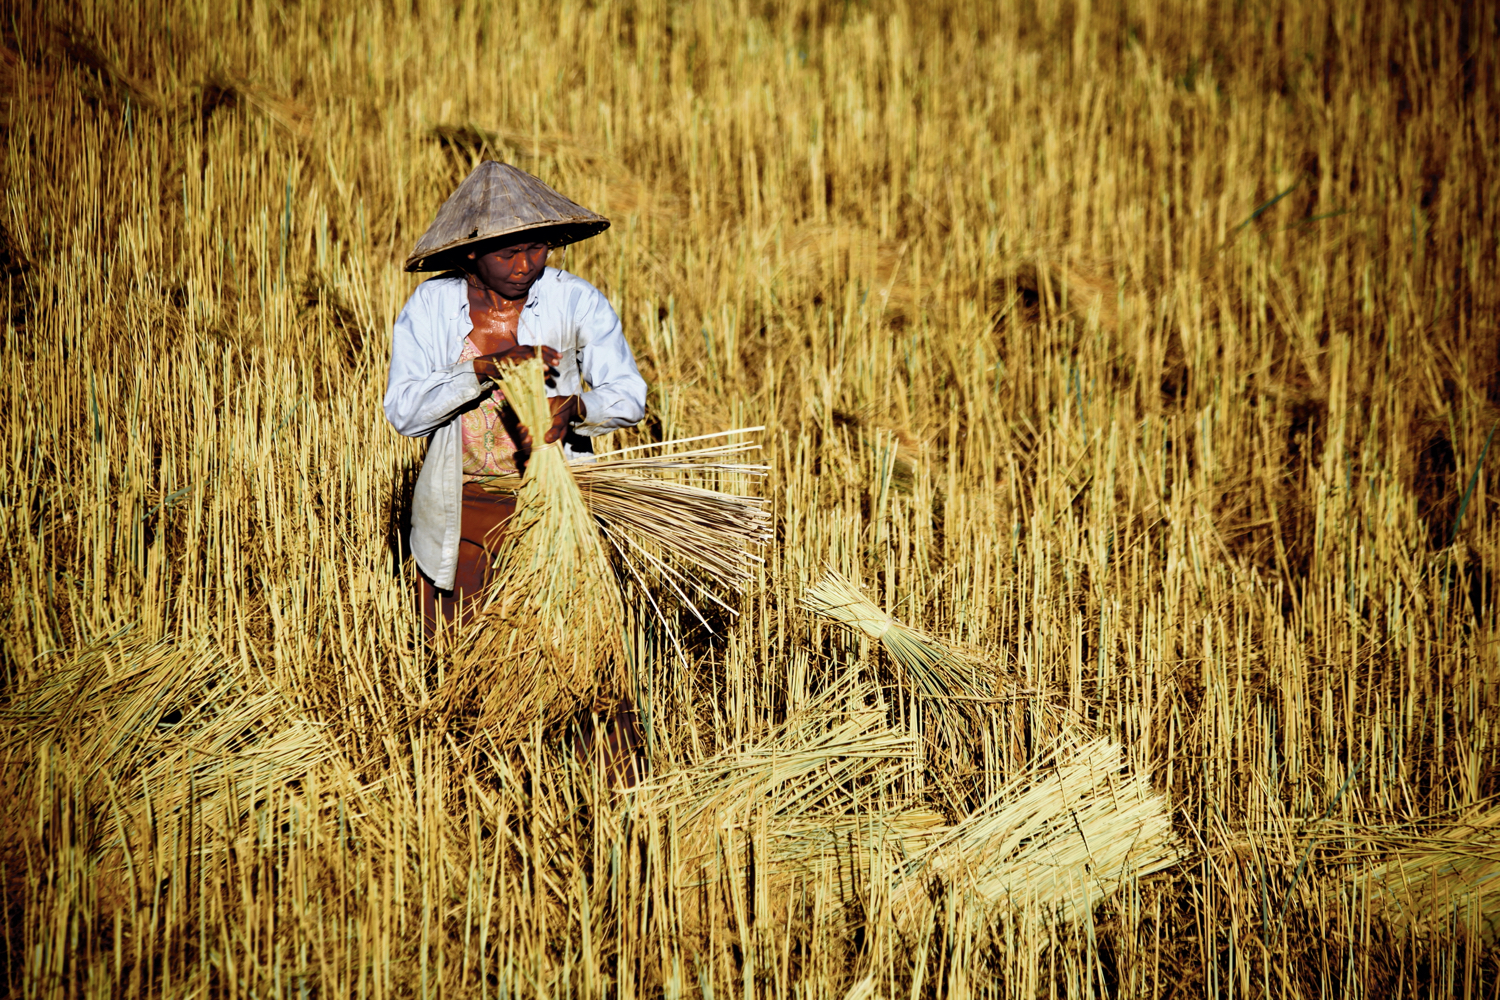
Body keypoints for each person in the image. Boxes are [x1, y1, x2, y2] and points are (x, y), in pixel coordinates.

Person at [383, 161, 647, 636]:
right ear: (470, 256)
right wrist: (480, 369)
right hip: (462, 502)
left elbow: (629, 395)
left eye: (536, 249)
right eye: (507, 255)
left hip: (555, 500)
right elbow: (404, 412)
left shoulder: (576, 301)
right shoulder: (431, 307)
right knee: (455, 647)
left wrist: (578, 409)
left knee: (571, 646)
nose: (525, 266)